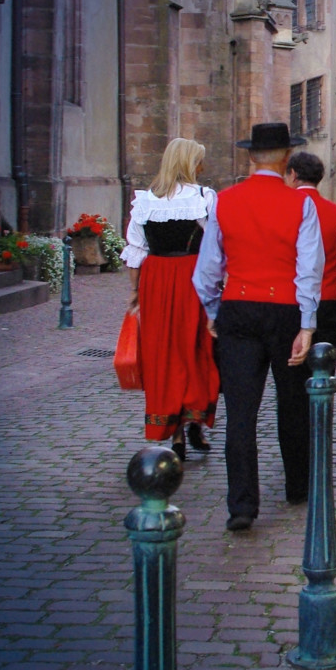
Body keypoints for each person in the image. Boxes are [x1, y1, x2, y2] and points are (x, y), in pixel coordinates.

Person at [193, 122, 324, 532]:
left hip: (238, 308)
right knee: (292, 402)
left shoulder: (223, 202)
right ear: (287, 159)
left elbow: (207, 270)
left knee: (241, 412)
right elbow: (309, 268)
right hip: (284, 309)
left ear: (251, 157)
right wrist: (307, 323)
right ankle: (298, 485)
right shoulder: (300, 205)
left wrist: (214, 309)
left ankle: (242, 505)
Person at [120, 138, 221, 462]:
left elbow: (136, 252)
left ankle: (178, 430)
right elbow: (215, 247)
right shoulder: (203, 198)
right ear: (191, 164)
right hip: (190, 278)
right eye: (199, 161)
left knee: (164, 353)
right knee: (196, 349)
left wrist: (135, 293)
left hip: (156, 280)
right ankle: (191, 421)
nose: (203, 167)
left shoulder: (146, 202)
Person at [285, 152, 336, 351]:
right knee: (324, 364)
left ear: (292, 175)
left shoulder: (283, 207)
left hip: (287, 299)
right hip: (326, 296)